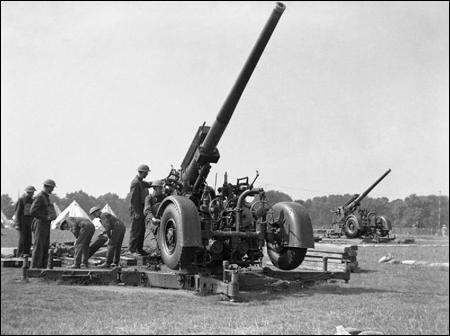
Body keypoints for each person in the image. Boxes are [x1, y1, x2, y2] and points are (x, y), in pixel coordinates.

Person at [30, 179, 57, 268]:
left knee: (45, 245)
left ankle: (41, 267)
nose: (52, 190)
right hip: (40, 223)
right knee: (38, 246)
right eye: (51, 188)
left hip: (45, 224)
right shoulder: (40, 196)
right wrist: (45, 217)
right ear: (47, 187)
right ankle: (34, 268)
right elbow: (33, 211)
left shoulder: (45, 197)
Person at [129, 164, 153, 256]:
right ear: (141, 172)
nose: (147, 174)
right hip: (137, 209)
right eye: (146, 173)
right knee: (135, 230)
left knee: (142, 230)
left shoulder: (140, 182)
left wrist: (157, 182)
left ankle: (139, 249)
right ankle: (132, 251)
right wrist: (136, 212)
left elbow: (148, 184)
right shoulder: (135, 183)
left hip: (140, 209)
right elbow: (133, 199)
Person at [14, 186, 36, 257]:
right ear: (28, 192)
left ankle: (27, 252)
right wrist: (17, 224)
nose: (32, 194)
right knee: (22, 239)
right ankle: (20, 254)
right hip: (22, 222)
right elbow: (17, 212)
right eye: (31, 192)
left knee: (28, 239)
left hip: (29, 222)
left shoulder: (32, 200)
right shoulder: (21, 200)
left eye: (33, 193)